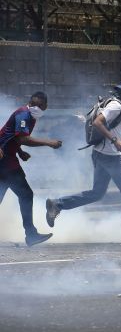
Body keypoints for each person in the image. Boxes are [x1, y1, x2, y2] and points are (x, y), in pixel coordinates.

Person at [45, 79, 121, 244]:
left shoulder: (110, 103)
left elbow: (109, 129)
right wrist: (116, 140)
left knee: (97, 193)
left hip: (100, 154)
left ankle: (57, 204)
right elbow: (97, 123)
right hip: (111, 157)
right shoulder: (116, 106)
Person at [0, 92, 62, 246]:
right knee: (26, 195)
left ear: (45, 107)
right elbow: (23, 138)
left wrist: (19, 152)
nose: (36, 108)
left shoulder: (30, 116)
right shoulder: (23, 115)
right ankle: (31, 234)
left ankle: (31, 234)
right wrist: (49, 143)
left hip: (7, 158)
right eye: (33, 104)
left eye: (39, 106)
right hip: (4, 160)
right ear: (29, 103)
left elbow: (13, 136)